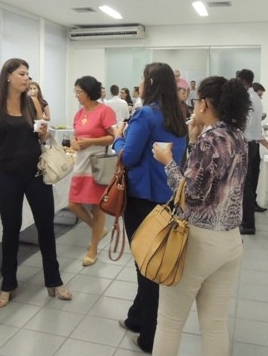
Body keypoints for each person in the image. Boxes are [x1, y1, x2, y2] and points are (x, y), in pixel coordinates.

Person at [151, 76, 250, 356]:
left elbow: (192, 195)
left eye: (195, 101)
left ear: (204, 104)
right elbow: (214, 181)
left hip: (199, 241)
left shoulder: (211, 139)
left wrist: (167, 162)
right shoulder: (238, 137)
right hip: (230, 241)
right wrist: (194, 140)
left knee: (170, 322)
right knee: (214, 323)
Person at [0, 58, 71, 308]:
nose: (27, 78)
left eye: (28, 74)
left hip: (35, 173)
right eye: (22, 74)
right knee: (11, 229)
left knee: (46, 226)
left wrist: (44, 133)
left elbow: (41, 136)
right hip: (7, 176)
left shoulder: (32, 103)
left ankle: (54, 280)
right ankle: (8, 284)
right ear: (8, 76)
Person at [112, 62, 188, 354]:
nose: (139, 84)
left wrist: (118, 138)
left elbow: (128, 157)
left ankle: (150, 336)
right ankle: (136, 317)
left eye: (142, 79)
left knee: (145, 265)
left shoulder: (145, 114)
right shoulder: (177, 115)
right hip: (167, 197)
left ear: (151, 82)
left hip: (142, 198)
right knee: (150, 259)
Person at [68, 76, 116, 266]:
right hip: (80, 165)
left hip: (97, 166)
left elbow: (112, 137)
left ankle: (93, 249)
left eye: (79, 92)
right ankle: (98, 229)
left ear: (88, 92)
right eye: (75, 92)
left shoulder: (105, 111)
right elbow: (75, 135)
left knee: (97, 207)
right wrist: (74, 142)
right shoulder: (79, 114)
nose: (76, 95)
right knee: (73, 204)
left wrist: (91, 142)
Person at [236, 69, 268, 233]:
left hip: (247, 144)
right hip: (251, 144)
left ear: (242, 81)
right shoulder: (255, 98)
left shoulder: (249, 99)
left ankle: (248, 223)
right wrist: (267, 144)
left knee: (245, 186)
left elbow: (247, 127)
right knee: (248, 184)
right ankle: (247, 219)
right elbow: (255, 129)